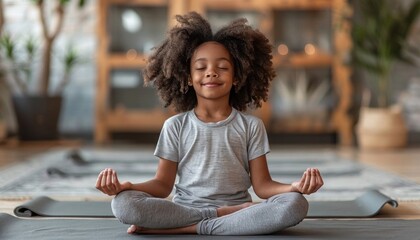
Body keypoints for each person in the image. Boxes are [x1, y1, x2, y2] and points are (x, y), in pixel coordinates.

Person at [96, 11, 323, 235]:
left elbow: (263, 187)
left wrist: (294, 187)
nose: (211, 73)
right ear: (187, 77)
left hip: (236, 210)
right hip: (197, 209)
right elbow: (162, 185)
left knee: (296, 204)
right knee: (123, 204)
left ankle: (189, 229)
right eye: (201, 67)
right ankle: (217, 219)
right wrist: (128, 187)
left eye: (222, 67)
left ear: (236, 77)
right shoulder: (175, 126)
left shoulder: (251, 126)